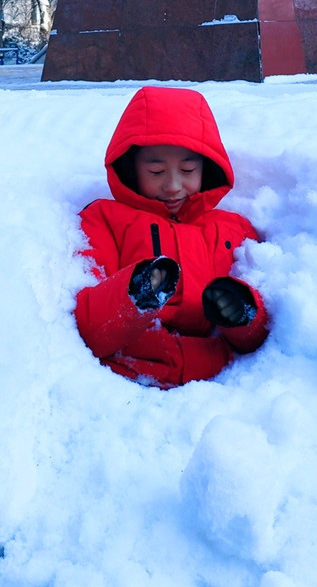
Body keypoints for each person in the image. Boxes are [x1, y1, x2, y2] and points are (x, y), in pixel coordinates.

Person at [74, 86, 269, 388]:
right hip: (127, 382)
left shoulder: (234, 228)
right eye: (155, 171)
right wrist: (134, 294)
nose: (173, 186)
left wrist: (241, 313)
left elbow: (262, 335)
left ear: (207, 167)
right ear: (131, 167)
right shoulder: (105, 220)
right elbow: (89, 327)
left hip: (221, 386)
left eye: (188, 169)